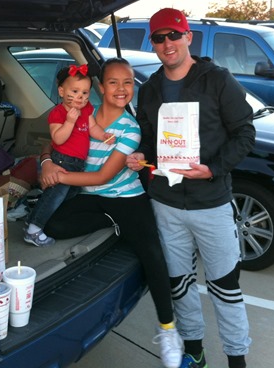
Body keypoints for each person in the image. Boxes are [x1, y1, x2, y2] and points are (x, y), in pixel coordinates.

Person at [126, 8, 256, 368]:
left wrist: (213, 169)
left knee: (225, 288)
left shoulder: (217, 80)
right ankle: (195, 353)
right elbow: (149, 140)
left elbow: (245, 133)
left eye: (173, 35)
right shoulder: (149, 89)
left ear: (188, 37)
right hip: (166, 203)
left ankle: (237, 361)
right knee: (179, 285)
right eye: (159, 38)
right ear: (153, 43)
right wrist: (141, 155)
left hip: (211, 203)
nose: (167, 43)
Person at [40, 58, 183, 368]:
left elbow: (103, 177)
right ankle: (114, 224)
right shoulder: (81, 113)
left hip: (126, 197)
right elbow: (53, 143)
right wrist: (46, 162)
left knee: (153, 256)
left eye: (128, 82)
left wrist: (59, 177)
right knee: (52, 226)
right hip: (91, 196)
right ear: (101, 87)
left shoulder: (130, 128)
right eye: (114, 82)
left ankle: (168, 329)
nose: (121, 89)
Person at [23, 64, 112, 246]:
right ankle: (33, 230)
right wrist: (70, 121)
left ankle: (34, 218)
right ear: (62, 91)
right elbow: (58, 138)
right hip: (62, 161)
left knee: (68, 195)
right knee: (55, 195)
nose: (81, 97)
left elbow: (92, 127)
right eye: (75, 91)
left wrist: (103, 136)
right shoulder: (58, 113)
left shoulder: (86, 110)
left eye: (85, 93)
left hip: (78, 163)